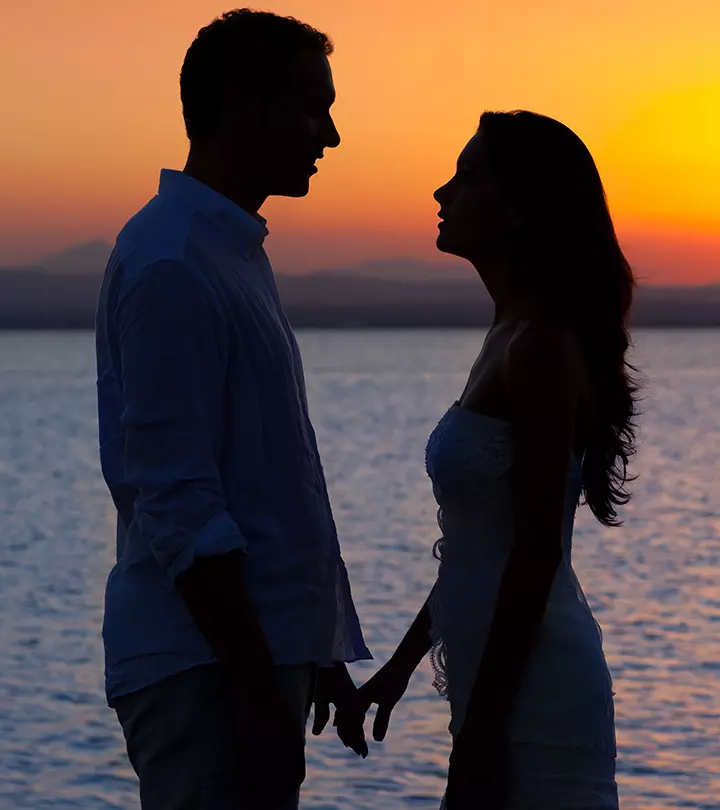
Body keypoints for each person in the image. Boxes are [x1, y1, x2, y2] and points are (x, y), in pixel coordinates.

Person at [94, 10, 371, 810]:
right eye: (313, 107)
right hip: (204, 673)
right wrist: (254, 689)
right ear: (243, 107)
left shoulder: (226, 251)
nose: (332, 135)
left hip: (241, 662)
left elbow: (261, 484)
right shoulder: (174, 262)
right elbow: (178, 497)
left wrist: (314, 652)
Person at [351, 111, 638, 809]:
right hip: (497, 682)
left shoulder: (538, 348)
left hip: (534, 693)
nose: (440, 194)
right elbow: (479, 548)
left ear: (517, 211)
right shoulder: (507, 335)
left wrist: (483, 731)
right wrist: (401, 665)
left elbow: (535, 553)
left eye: (466, 178)